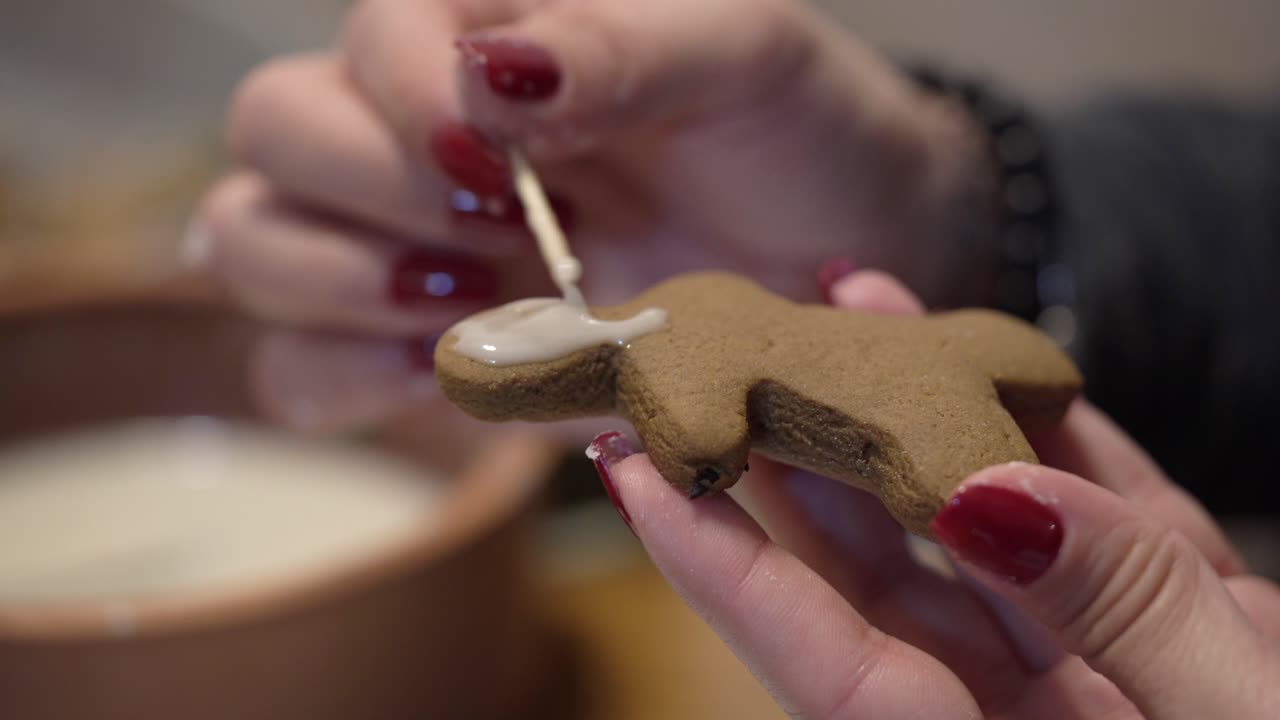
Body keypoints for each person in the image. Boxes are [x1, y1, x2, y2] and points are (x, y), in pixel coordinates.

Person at [191, 0, 1280, 716]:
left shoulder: (674, 331)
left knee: (951, 459)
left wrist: (700, 457)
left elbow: (702, 429)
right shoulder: (678, 305)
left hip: (919, 378)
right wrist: (972, 225)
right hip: (938, 333)